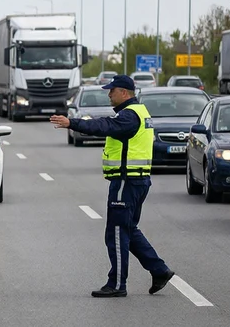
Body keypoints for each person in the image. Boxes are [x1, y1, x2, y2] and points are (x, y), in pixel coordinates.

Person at [51, 76, 175, 298]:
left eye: (112, 90)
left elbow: (103, 126)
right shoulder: (138, 112)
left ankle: (117, 284)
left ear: (125, 93)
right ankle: (159, 270)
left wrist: (73, 123)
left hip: (126, 182)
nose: (109, 94)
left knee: (116, 233)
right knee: (127, 230)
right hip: (137, 180)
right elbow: (108, 123)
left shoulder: (129, 116)